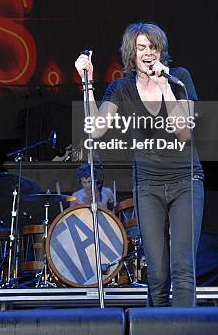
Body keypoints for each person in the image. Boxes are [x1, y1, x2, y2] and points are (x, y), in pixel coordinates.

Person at [74, 22, 204, 307]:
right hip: (147, 186)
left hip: (186, 181)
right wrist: (87, 82)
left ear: (161, 51)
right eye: (141, 47)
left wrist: (164, 87)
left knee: (183, 271)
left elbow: (184, 132)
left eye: (153, 47)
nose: (148, 53)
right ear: (131, 54)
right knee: (157, 274)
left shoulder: (179, 78)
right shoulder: (121, 88)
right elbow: (95, 129)